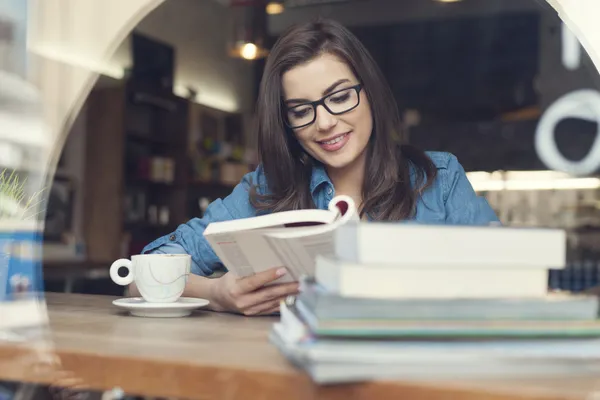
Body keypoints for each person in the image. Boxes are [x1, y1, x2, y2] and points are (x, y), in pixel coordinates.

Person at [135, 18, 499, 315]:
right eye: (301, 110)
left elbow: (509, 280)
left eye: (339, 97)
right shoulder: (267, 189)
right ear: (286, 122)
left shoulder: (440, 179)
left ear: (369, 92)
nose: (324, 122)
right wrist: (216, 293)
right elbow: (140, 274)